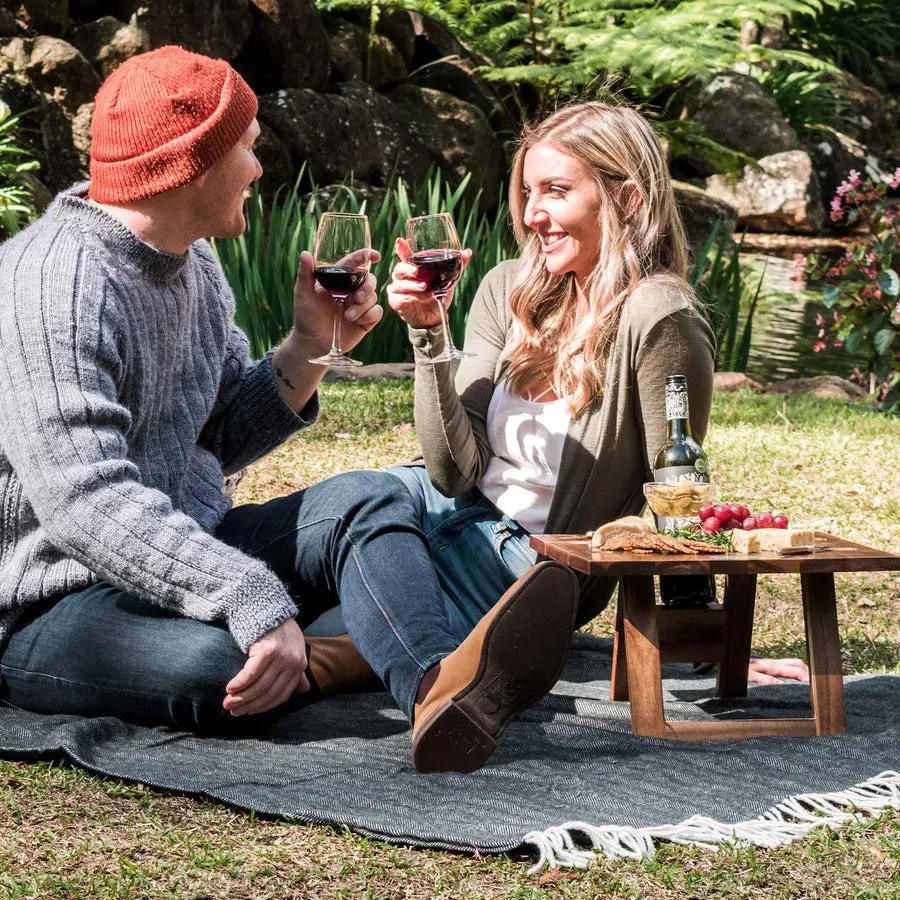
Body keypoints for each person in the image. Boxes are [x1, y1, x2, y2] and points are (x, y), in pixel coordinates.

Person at [0, 45, 582, 775]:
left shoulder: (193, 262)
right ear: (191, 163)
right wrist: (248, 595)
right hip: (54, 603)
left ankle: (442, 688)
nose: (258, 167)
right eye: (245, 149)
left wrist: (312, 343)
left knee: (366, 497)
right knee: (227, 665)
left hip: (184, 545)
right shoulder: (54, 283)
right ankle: (356, 631)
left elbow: (212, 434)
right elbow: (84, 503)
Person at [386, 100, 809, 687]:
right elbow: (450, 473)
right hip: (439, 518)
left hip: (528, 569)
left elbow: (676, 481)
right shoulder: (505, 287)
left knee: (339, 574)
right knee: (347, 526)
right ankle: (429, 675)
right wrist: (430, 331)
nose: (533, 214)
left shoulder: (657, 316)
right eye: (528, 192)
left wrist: (700, 644)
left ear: (628, 201)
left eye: (555, 191)